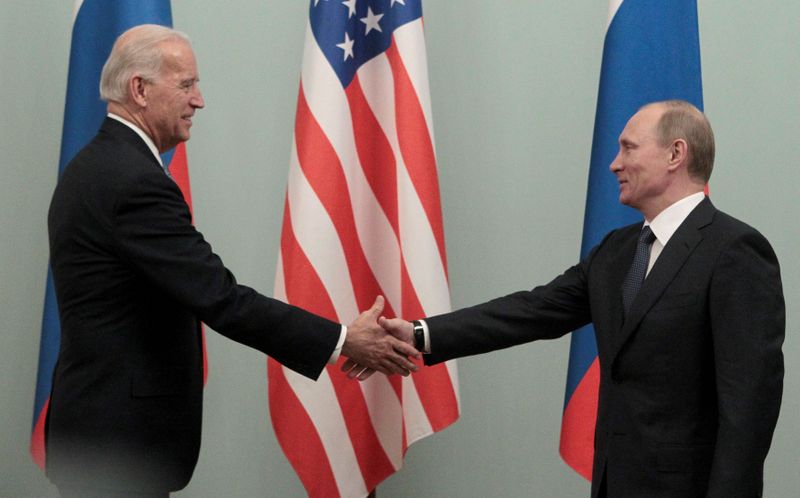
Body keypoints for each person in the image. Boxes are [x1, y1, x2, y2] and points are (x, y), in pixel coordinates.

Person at [46, 24, 418, 497]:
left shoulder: (95, 166)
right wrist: (343, 340)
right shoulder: (132, 183)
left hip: (101, 438)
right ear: (139, 89)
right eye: (186, 85)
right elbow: (221, 298)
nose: (198, 100)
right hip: (118, 449)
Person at [362, 101, 785, 497]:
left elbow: (748, 406)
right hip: (611, 482)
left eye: (628, 148)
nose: (614, 164)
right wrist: (421, 332)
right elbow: (533, 310)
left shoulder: (734, 251)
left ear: (676, 154)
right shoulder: (617, 251)